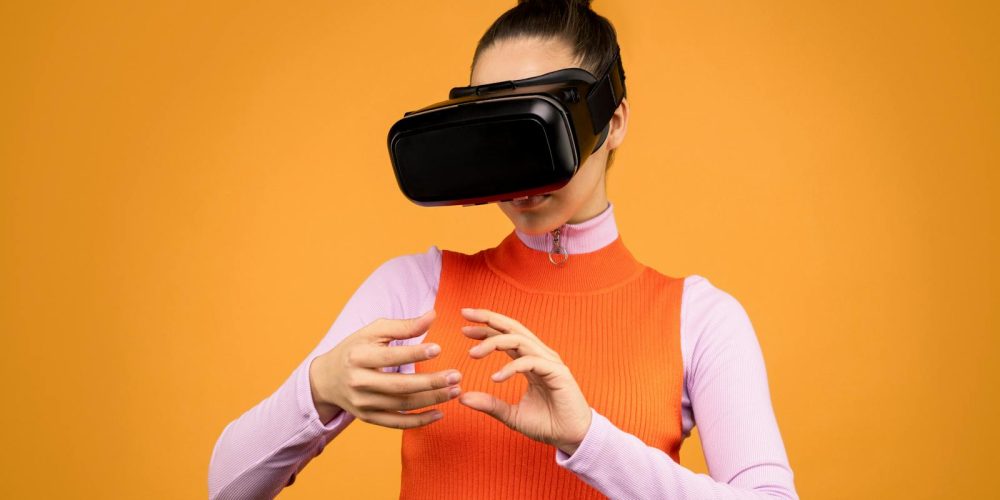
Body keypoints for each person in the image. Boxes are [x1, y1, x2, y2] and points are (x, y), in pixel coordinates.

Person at [208, 1, 798, 498]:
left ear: (612, 122)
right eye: (498, 133)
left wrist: (589, 439)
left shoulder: (699, 317)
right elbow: (224, 486)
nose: (520, 171)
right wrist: (316, 388)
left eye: (538, 130)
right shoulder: (413, 288)